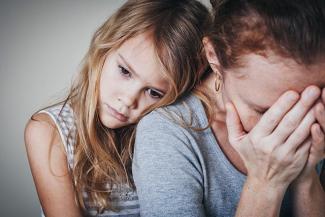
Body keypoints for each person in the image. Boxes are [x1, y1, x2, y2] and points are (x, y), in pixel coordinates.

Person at [132, 0, 325, 216]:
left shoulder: (317, 123)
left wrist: (306, 173)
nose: (294, 128)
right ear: (214, 57)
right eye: (265, 111)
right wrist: (265, 181)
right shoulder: (166, 133)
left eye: (308, 107)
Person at [24, 0, 211, 216]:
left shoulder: (166, 137)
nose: (128, 99)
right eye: (124, 71)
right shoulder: (49, 132)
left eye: (154, 92)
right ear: (104, 48)